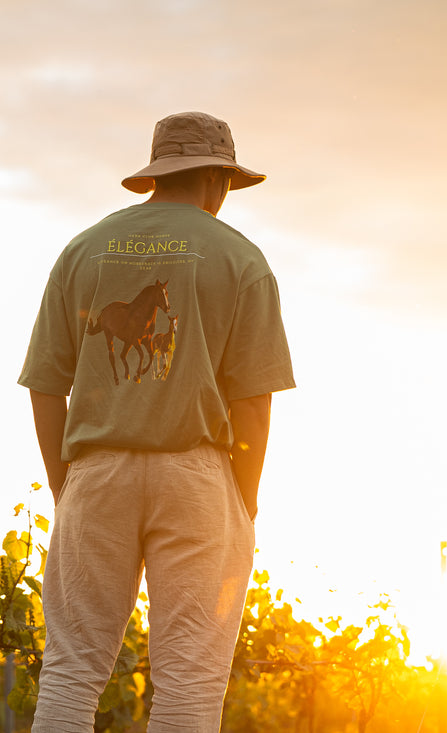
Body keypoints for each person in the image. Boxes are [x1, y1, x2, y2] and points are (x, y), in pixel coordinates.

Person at [18, 111, 295, 732]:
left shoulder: (83, 249)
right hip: (197, 479)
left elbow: (44, 385)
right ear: (219, 180)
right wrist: (241, 500)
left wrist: (68, 486)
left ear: (157, 175)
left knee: (69, 676)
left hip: (95, 471)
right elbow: (253, 401)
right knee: (190, 684)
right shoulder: (240, 258)